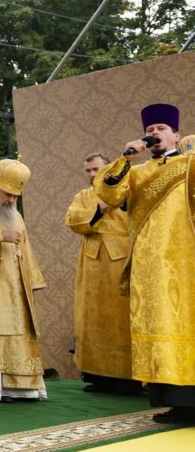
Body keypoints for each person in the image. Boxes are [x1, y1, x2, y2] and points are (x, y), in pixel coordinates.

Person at [94, 103, 195, 424]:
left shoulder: (189, 164)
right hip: (148, 265)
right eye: (150, 130)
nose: (154, 134)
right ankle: (177, 403)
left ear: (175, 135)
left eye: (161, 129)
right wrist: (126, 157)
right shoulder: (135, 173)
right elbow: (108, 194)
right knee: (158, 326)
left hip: (184, 260)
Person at [0, 159, 47, 402]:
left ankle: (24, 386)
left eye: (16, 196)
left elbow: (26, 247)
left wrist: (33, 281)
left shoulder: (15, 214)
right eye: (8, 194)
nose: (12, 200)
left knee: (22, 331)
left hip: (18, 282)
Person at [65, 152, 137, 394]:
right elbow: (73, 220)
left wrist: (110, 200)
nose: (92, 174)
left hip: (122, 262)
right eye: (88, 171)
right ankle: (98, 377)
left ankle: (132, 378)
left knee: (122, 317)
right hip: (92, 266)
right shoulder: (83, 196)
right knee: (92, 318)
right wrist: (100, 207)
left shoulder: (127, 188)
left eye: (96, 169)